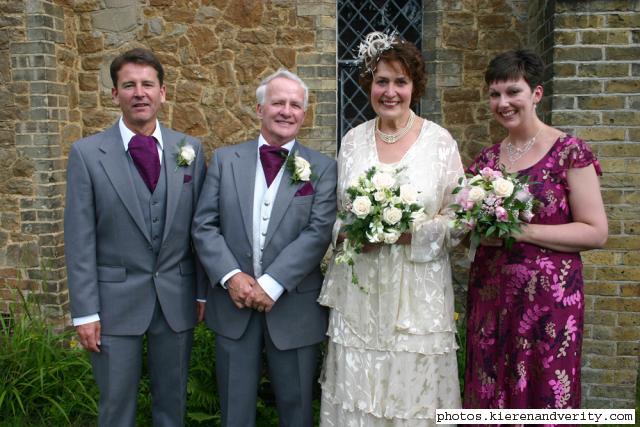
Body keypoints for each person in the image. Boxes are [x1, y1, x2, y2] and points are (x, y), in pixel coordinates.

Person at [319, 31, 464, 426]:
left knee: (412, 397)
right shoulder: (352, 142)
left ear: (414, 86)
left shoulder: (439, 142)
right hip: (360, 293)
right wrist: (352, 233)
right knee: (359, 394)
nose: (390, 91)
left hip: (418, 296)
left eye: (400, 81)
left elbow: (459, 219)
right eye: (381, 81)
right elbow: (336, 216)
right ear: (369, 83)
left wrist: (405, 232)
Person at [64, 48, 207, 426]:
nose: (139, 92)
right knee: (116, 407)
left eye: (148, 84)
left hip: (175, 300)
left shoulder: (190, 150)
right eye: (129, 85)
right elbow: (79, 240)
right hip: (112, 305)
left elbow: (202, 228)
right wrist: (85, 312)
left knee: (172, 406)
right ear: (115, 95)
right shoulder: (86, 154)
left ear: (163, 92)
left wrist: (201, 291)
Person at [191, 69, 337, 427]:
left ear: (304, 113)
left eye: (295, 105)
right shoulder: (226, 160)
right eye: (278, 102)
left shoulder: (322, 168)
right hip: (234, 305)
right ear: (259, 109)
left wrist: (272, 284)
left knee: (297, 408)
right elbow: (204, 225)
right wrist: (231, 277)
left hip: (294, 308)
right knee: (235, 410)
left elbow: (318, 233)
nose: (287, 111)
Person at [463, 49, 608, 410]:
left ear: (536, 94)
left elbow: (595, 232)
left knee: (543, 395)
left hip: (549, 302)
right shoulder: (486, 161)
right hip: (492, 296)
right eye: (495, 94)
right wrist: (475, 226)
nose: (503, 102)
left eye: (513, 92)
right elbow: (468, 228)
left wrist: (523, 233)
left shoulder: (569, 152)